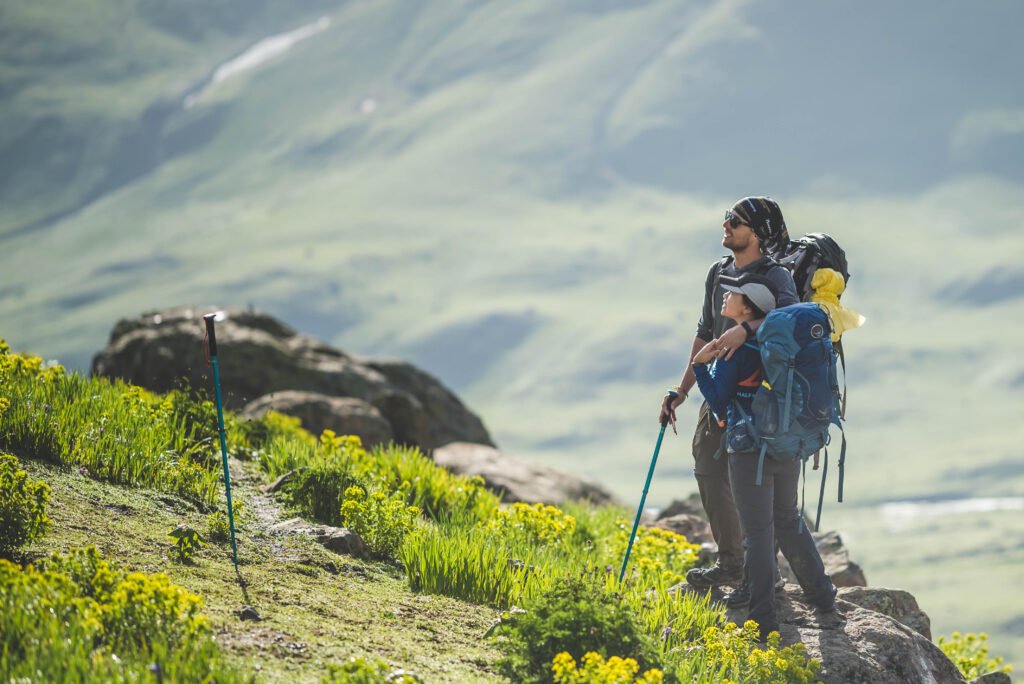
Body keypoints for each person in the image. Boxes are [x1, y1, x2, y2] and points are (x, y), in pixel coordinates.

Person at [659, 197, 798, 592]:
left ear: (756, 232)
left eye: (734, 221)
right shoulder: (717, 273)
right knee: (708, 467)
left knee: (753, 483)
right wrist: (682, 389)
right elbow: (705, 332)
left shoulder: (777, 277)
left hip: (761, 397)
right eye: (726, 218)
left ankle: (761, 577)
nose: (726, 225)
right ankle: (732, 562)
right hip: (718, 390)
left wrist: (748, 329)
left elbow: (794, 320)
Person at [690, 272, 837, 641]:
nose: (726, 297)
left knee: (757, 534)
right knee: (788, 520)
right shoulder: (775, 343)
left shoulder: (734, 349)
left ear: (748, 306)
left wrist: (699, 366)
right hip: (785, 442)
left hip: (748, 450)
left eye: (734, 295)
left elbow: (720, 402)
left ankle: (762, 621)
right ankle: (823, 599)